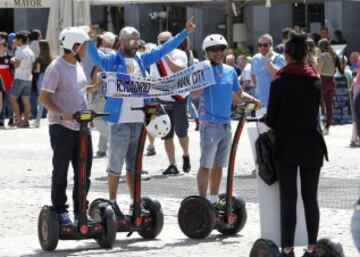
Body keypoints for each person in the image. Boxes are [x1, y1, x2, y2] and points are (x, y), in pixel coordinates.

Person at [87, 18, 196, 214]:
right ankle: (112, 201)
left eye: (138, 40)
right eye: (132, 41)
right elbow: (95, 58)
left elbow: (164, 49)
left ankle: (134, 202)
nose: (136, 44)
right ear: (121, 41)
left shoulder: (142, 59)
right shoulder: (113, 60)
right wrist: (90, 42)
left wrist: (184, 33)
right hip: (119, 119)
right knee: (115, 164)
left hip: (139, 119)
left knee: (134, 165)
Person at [265, 32, 328, 257]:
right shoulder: (315, 80)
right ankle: (312, 248)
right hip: (312, 144)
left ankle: (288, 249)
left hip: (287, 145)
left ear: (288, 55)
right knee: (311, 199)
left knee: (289, 199)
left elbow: (270, 119)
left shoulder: (280, 81)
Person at [39, 27, 100, 225]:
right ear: (74, 47)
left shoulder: (78, 65)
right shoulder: (55, 67)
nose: (85, 50)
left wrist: (93, 87)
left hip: (82, 127)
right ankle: (59, 210)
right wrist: (59, 113)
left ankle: (81, 210)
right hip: (61, 127)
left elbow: (78, 90)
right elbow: (44, 97)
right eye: (83, 46)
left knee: (84, 172)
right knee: (61, 171)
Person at [191, 34, 260, 205]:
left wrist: (252, 100)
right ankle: (202, 201)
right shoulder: (203, 69)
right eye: (213, 50)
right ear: (206, 52)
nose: (218, 53)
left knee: (219, 165)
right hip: (209, 122)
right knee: (206, 164)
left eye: (221, 49)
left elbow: (238, 93)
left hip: (226, 123)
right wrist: (200, 83)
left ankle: (214, 199)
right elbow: (193, 94)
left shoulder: (229, 71)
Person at [150, 31, 191, 175]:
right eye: (159, 42)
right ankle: (172, 164)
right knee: (166, 133)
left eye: (164, 42)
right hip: (162, 99)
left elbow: (177, 69)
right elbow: (152, 77)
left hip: (179, 98)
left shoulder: (179, 54)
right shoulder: (154, 56)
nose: (160, 45)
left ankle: (186, 155)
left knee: (181, 131)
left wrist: (164, 54)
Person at [9, 31, 35, 128]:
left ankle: (18, 120)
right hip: (28, 78)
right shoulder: (31, 51)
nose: (15, 41)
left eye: (16, 39)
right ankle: (26, 121)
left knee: (12, 98)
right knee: (26, 100)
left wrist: (12, 60)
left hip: (19, 78)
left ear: (20, 40)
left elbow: (17, 64)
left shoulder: (19, 50)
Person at [316, 39, 336, 135]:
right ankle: (327, 126)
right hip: (332, 80)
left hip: (323, 80)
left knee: (317, 103)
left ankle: (319, 125)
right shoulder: (331, 55)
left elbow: (318, 71)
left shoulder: (322, 56)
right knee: (329, 106)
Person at [32, 40, 52, 128]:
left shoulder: (39, 58)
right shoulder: (50, 58)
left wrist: (32, 69)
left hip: (41, 78)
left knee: (41, 101)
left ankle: (37, 121)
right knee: (48, 100)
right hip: (49, 78)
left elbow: (37, 70)